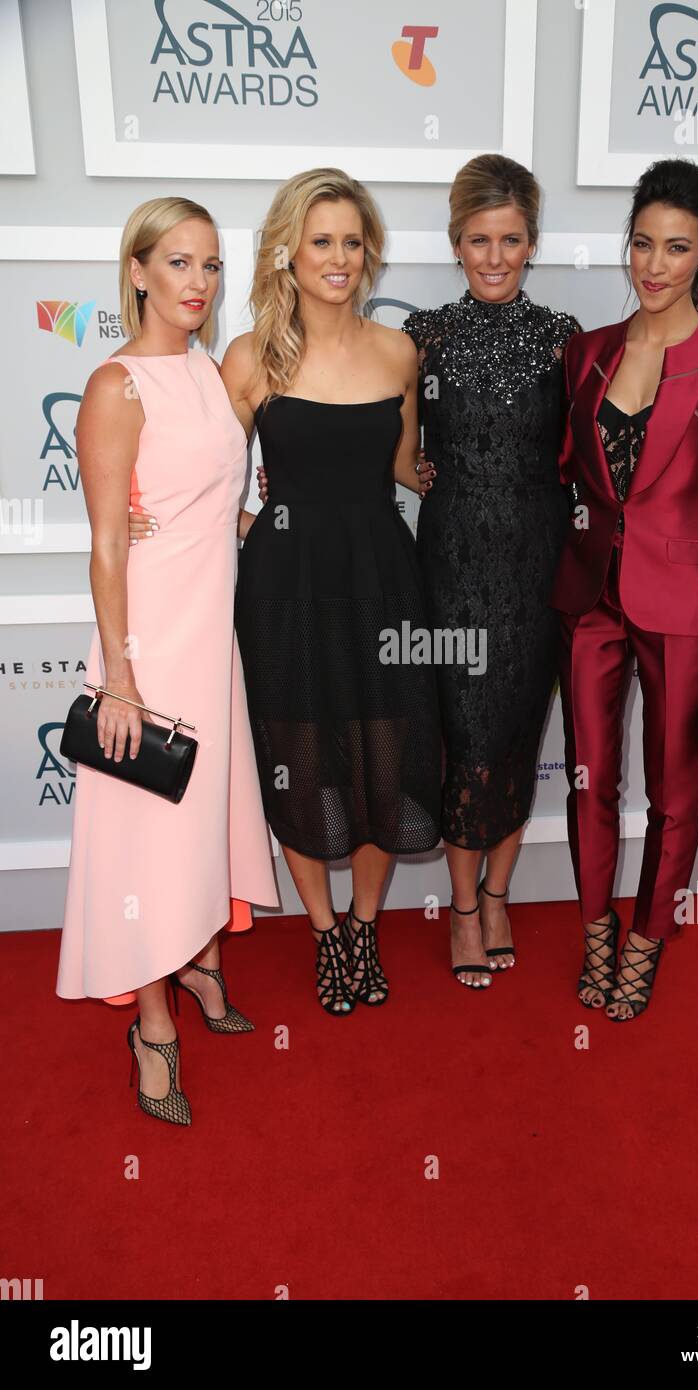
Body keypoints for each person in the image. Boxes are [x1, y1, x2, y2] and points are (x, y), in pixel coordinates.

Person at [57, 197, 280, 1126]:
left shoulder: (207, 372)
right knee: (146, 830)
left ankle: (196, 961)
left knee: (201, 816)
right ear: (138, 271)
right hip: (146, 639)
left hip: (207, 629)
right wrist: (119, 675)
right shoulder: (118, 385)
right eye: (179, 264)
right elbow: (107, 546)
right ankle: (152, 1025)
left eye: (212, 266)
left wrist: (221, 515)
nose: (199, 283)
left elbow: (225, 501)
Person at [552, 158, 698, 1021]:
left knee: (675, 792)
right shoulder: (588, 351)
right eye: (642, 243)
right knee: (587, 779)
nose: (654, 264)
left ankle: (645, 943)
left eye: (676, 248)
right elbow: (567, 473)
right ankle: (597, 929)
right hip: (589, 599)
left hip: (683, 603)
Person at [222, 169, 440, 1015]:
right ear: (289, 250)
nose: (340, 258)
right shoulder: (251, 358)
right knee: (302, 756)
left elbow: (401, 468)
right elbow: (208, 479)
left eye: (354, 241)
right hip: (286, 587)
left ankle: (364, 924)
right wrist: (244, 526)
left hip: (385, 578)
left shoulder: (397, 352)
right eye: (323, 241)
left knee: (389, 754)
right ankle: (322, 932)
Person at [400, 154, 581, 989]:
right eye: (479, 239)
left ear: (532, 242)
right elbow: (397, 455)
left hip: (538, 563)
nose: (496, 256)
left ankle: (499, 893)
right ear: (456, 241)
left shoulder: (563, 340)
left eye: (511, 239)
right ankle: (463, 906)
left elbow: (587, 460)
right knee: (464, 737)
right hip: (451, 566)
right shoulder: (421, 336)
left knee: (516, 734)